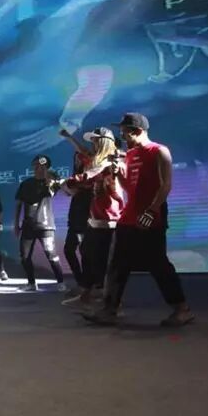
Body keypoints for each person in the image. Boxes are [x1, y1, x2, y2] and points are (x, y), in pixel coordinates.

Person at [83, 113, 194, 326]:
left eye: (125, 132)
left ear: (138, 131)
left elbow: (166, 185)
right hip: (128, 217)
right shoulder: (130, 155)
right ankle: (110, 309)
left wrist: (152, 211)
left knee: (158, 264)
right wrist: (119, 174)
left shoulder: (159, 151)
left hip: (151, 216)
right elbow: (130, 189)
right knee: (117, 264)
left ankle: (182, 309)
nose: (123, 136)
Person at [60, 128, 124, 309]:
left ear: (103, 142)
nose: (93, 145)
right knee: (87, 254)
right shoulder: (99, 161)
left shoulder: (110, 162)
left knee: (103, 262)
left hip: (109, 220)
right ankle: (87, 294)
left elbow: (87, 176)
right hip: (95, 219)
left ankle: (111, 304)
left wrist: (67, 182)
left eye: (96, 141)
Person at [14, 155, 65, 292]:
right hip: (28, 225)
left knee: (51, 254)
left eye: (42, 165)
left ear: (47, 167)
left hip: (45, 225)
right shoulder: (26, 184)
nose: (38, 168)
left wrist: (49, 177)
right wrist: (16, 224)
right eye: (35, 165)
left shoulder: (51, 182)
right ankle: (31, 283)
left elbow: (53, 191)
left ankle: (60, 282)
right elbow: (18, 205)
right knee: (24, 256)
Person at [59, 130, 94, 296]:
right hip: (74, 216)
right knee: (69, 250)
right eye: (75, 157)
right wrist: (62, 185)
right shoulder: (76, 177)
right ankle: (82, 282)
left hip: (85, 216)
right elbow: (70, 192)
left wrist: (69, 137)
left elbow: (84, 151)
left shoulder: (90, 174)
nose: (77, 158)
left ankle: (88, 286)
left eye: (80, 157)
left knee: (85, 251)